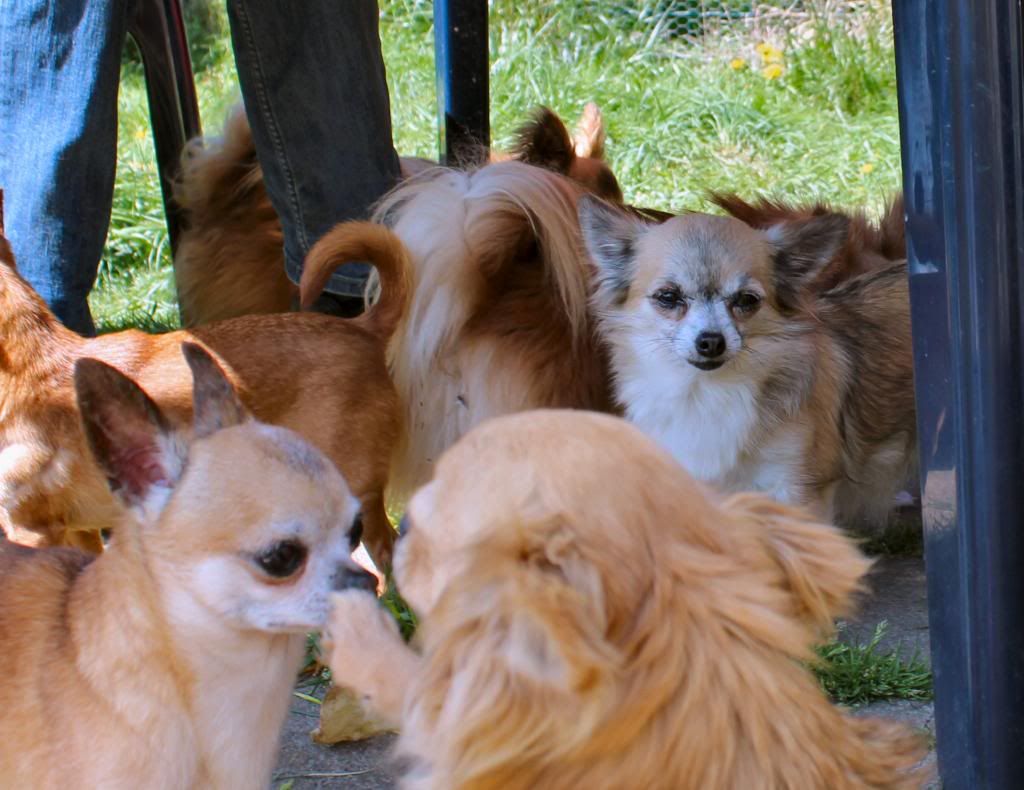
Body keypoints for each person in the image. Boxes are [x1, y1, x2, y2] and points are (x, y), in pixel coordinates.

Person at [0, 0, 400, 336]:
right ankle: (352, 304)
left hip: (231, 261)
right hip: (248, 271)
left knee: (60, 20)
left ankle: (31, 322)